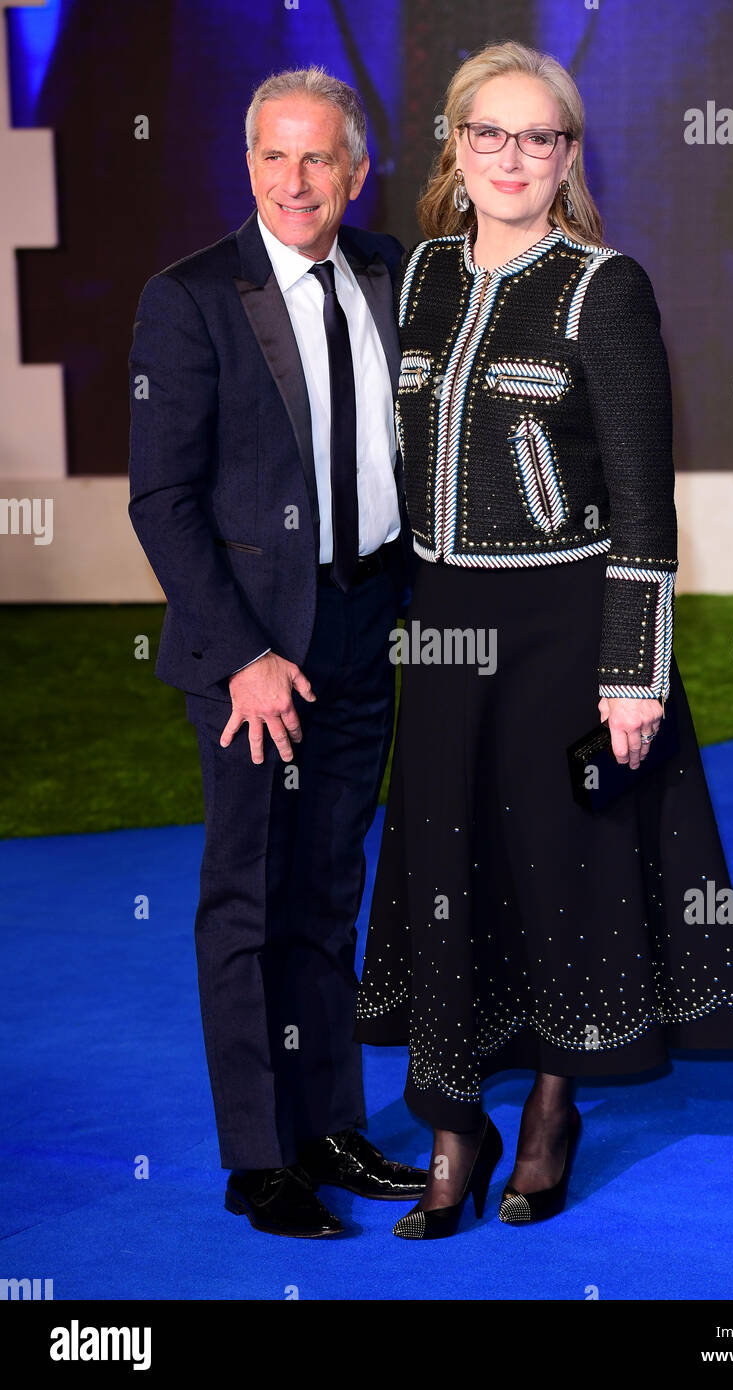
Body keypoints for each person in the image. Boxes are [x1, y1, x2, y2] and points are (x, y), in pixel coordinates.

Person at [354, 41, 733, 1239]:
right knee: (441, 872)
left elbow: (644, 499)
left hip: (563, 632)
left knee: (559, 872)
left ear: (568, 156)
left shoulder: (605, 286)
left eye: (540, 138)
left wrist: (631, 676)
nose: (513, 158)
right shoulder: (420, 277)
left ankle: (547, 1110)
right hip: (443, 637)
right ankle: (450, 1124)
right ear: (454, 145)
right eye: (489, 133)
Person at [128, 67, 428, 1238]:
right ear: (246, 164)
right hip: (254, 654)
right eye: (273, 157)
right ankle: (261, 1160)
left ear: (354, 172)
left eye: (319, 159)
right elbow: (163, 501)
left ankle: (331, 1126)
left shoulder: (394, 274)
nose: (295, 181)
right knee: (247, 903)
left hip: (361, 625)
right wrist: (245, 653)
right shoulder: (190, 296)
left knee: (327, 890)